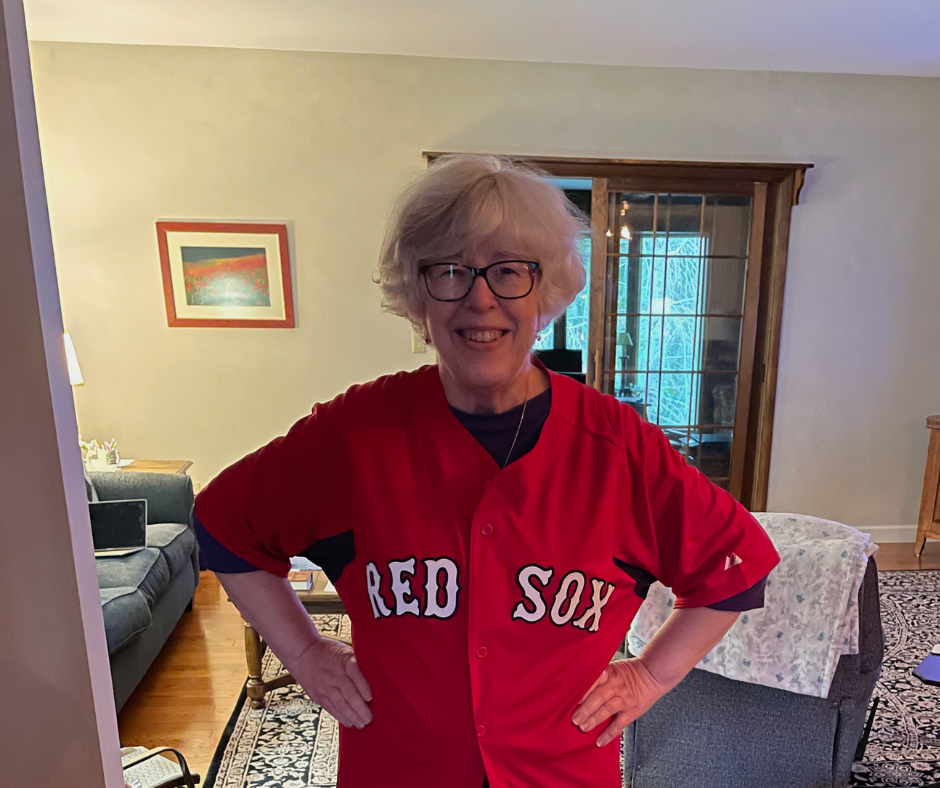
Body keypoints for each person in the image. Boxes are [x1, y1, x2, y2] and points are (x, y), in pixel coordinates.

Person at [193, 154, 781, 788]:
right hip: (399, 770)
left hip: (559, 775)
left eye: (510, 271)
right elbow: (224, 525)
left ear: (547, 289)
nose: (480, 298)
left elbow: (735, 566)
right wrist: (306, 652)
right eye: (449, 270)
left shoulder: (616, 447)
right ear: (417, 294)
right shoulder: (357, 433)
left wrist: (651, 675)